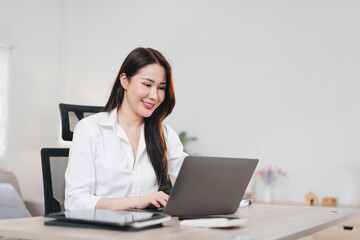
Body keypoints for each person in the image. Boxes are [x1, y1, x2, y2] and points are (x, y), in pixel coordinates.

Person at [64, 47, 187, 211]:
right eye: (147, 84)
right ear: (124, 81)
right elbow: (75, 202)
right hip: (100, 231)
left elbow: (193, 183)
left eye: (161, 88)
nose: (154, 96)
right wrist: (137, 201)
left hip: (145, 232)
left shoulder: (165, 135)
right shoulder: (89, 130)